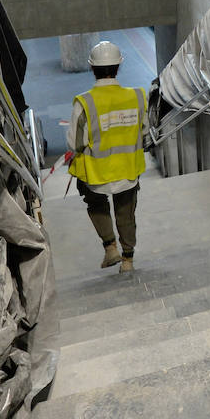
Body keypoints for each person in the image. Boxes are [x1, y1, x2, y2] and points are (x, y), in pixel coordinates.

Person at [66, 40, 148, 272]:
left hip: (96, 174)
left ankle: (110, 248)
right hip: (128, 170)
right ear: (118, 67)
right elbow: (143, 132)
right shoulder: (138, 97)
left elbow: (76, 143)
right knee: (126, 213)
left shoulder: (84, 103)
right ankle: (128, 261)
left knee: (96, 205)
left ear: (92, 69)